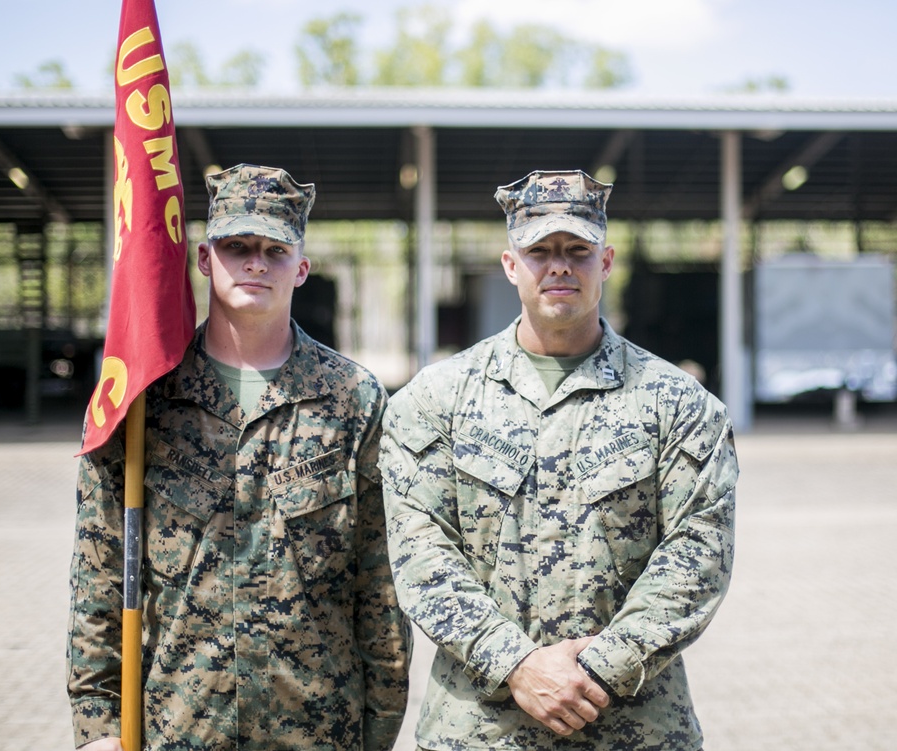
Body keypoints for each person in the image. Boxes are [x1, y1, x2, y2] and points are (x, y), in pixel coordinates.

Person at [378, 169, 738, 750]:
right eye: (540, 250)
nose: (560, 265)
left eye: (578, 250)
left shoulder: (678, 403)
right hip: (482, 732)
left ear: (608, 261)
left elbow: (697, 557)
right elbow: (422, 555)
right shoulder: (435, 400)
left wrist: (595, 673)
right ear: (510, 264)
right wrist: (520, 666)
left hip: (631, 727)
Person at [68, 163, 411, 751]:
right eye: (237, 245)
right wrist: (99, 728)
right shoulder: (145, 402)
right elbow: (100, 573)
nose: (256, 262)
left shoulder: (354, 399)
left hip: (319, 730)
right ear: (205, 259)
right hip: (176, 727)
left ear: (301, 269)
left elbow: (380, 584)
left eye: (275, 250)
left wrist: (379, 728)